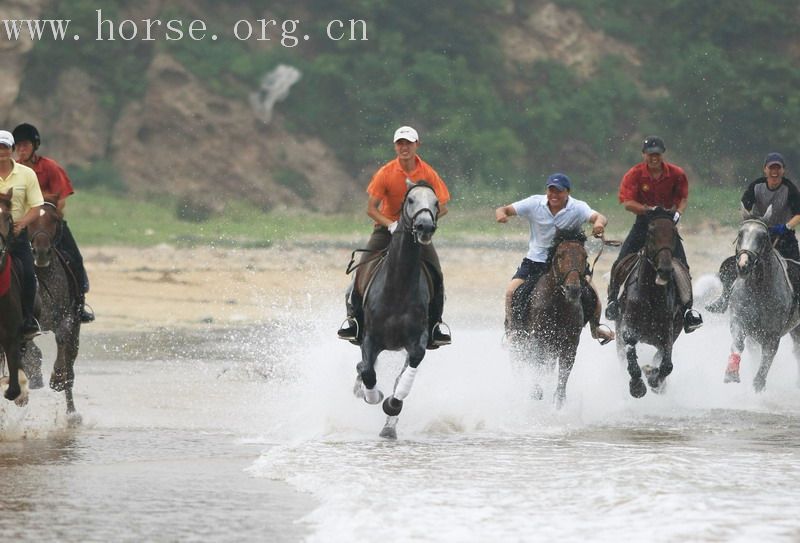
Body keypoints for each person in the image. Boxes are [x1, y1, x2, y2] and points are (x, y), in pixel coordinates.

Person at [337, 125, 451, 348]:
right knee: (361, 268)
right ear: (395, 146)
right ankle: (354, 321)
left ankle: (435, 325)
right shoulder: (386, 173)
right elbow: (371, 208)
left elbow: (442, 206)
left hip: (417, 234)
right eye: (400, 143)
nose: (404, 147)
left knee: (436, 273)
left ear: (417, 145)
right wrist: (391, 225)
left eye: (408, 143)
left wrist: (424, 223)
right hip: (386, 230)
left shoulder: (428, 173)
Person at [495, 173, 615, 344]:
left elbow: (599, 217)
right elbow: (504, 209)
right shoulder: (534, 203)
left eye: (558, 192)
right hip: (536, 260)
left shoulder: (578, 207)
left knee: (593, 293)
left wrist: (598, 224)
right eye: (551, 191)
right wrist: (501, 214)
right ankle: (513, 332)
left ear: (567, 192)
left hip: (568, 262)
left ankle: (595, 328)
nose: (554, 195)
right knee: (510, 292)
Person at [605, 135, 703, 332]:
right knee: (621, 261)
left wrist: (678, 213)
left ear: (662, 154)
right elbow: (627, 202)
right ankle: (613, 301)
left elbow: (683, 197)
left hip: (667, 224)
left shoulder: (676, 173)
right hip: (644, 223)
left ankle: (687, 311)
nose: (654, 158)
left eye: (657, 154)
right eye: (650, 154)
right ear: (644, 155)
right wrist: (647, 210)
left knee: (682, 264)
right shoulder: (634, 174)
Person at [12, 123, 94, 323]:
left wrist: (49, 214)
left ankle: (79, 305)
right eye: (19, 146)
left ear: (35, 146)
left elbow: (62, 198)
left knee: (75, 257)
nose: (22, 150)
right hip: (21, 223)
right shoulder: (12, 171)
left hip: (48, 223)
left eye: (26, 145)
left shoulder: (49, 167)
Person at [706, 152, 800, 313]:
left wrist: (785, 227)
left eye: (778, 168)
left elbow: (798, 214)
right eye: (771, 168)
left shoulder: (789, 189)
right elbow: (744, 207)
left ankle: (796, 307)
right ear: (765, 169)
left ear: (783, 170)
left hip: (783, 238)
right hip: (756, 235)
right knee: (731, 265)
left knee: (797, 271)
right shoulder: (756, 186)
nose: (774, 172)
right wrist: (751, 223)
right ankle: (725, 298)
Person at [0, 130, 44, 338]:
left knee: (28, 274)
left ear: (11, 149)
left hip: (17, 237)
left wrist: (22, 223)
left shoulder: (27, 175)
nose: (2, 152)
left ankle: (28, 320)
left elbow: (36, 206)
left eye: (5, 147)